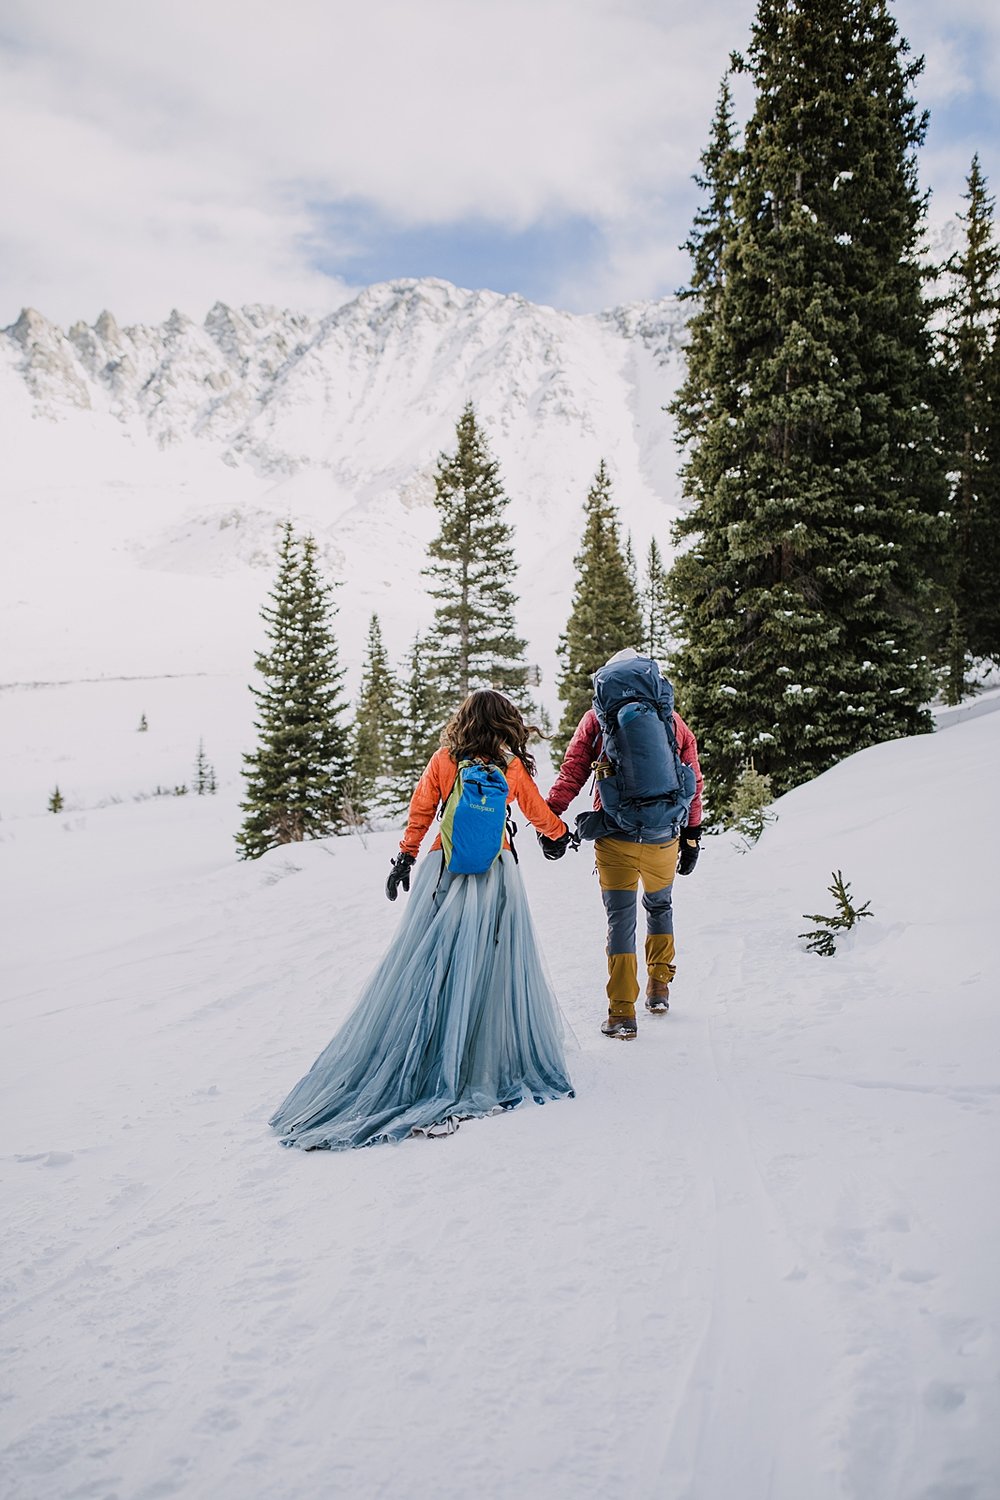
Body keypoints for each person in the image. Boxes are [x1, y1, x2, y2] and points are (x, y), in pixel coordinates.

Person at [270, 689, 575, 1150]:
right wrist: (561, 835)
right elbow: (539, 814)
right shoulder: (509, 765)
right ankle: (481, 1057)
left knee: (433, 961)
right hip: (497, 872)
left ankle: (428, 1048)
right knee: (492, 966)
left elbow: (421, 813)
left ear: (464, 721)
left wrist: (404, 859)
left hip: (444, 869)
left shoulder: (445, 760)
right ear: (506, 723)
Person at [546, 650, 703, 1040]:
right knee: (660, 906)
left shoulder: (596, 719)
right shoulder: (671, 720)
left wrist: (550, 818)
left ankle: (621, 1015)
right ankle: (659, 988)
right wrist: (693, 836)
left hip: (614, 834)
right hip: (662, 836)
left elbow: (573, 771)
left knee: (620, 920)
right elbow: (693, 780)